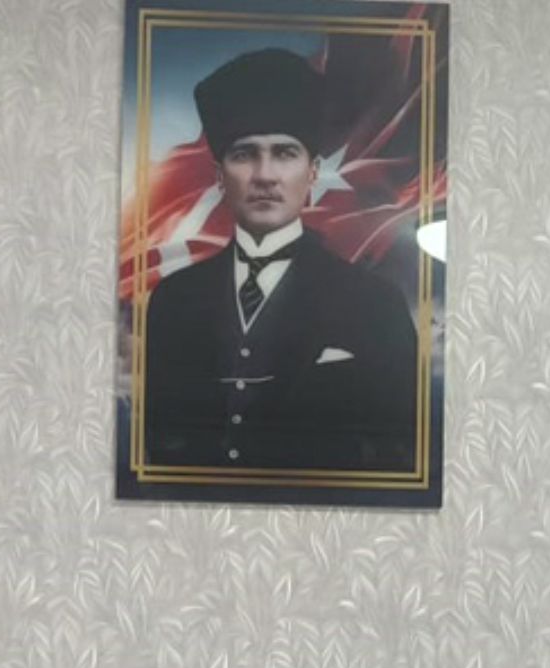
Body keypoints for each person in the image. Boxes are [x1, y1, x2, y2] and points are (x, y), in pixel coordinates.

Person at [137, 47, 422, 476]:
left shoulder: (376, 304)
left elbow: (401, 454)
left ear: (313, 172)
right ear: (219, 176)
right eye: (244, 154)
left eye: (285, 153)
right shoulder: (174, 301)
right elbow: (157, 448)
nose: (265, 175)